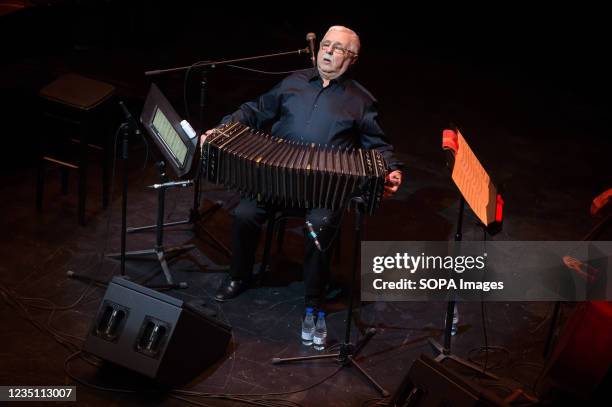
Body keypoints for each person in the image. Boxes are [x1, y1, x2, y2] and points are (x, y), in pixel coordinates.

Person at [200, 26, 404, 309]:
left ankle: (314, 293)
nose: (329, 51)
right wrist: (222, 128)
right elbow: (255, 110)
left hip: (324, 188)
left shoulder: (361, 100)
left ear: (352, 59)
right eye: (326, 44)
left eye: (338, 48)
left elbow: (378, 144)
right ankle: (239, 275)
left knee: (321, 223)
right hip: (275, 177)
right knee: (245, 212)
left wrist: (391, 168)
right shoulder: (292, 82)